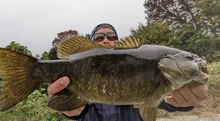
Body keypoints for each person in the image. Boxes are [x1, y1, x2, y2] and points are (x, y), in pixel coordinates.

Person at [47, 23, 208, 121]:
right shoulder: (78, 65)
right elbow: (81, 113)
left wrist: (186, 101)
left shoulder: (157, 74)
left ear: (118, 41)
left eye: (111, 36)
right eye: (98, 38)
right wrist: (75, 113)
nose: (105, 40)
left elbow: (167, 101)